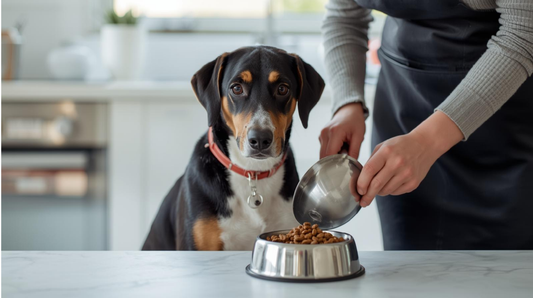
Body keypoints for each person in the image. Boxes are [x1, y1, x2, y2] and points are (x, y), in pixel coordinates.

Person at [320, 0, 533, 250]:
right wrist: (348, 103)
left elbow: (523, 34)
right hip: (401, 112)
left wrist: (427, 142)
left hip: (499, 126)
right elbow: (344, 17)